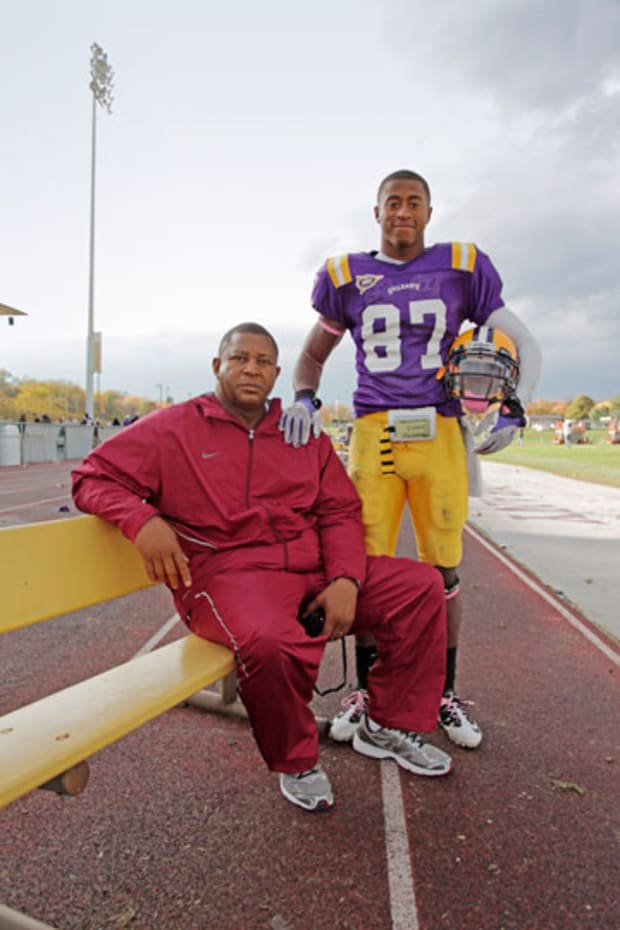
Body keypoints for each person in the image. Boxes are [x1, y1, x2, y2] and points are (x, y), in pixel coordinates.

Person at [71, 322, 452, 813]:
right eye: (239, 358)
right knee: (270, 641)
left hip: (310, 566)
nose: (251, 368)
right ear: (217, 366)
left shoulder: (299, 433)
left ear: (276, 374)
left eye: (264, 361)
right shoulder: (172, 428)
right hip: (226, 575)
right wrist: (142, 520)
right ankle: (296, 760)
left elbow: (338, 509)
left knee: (419, 586)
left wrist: (344, 579)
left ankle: (386, 724)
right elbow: (90, 478)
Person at [279, 169, 542, 750]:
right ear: (376, 213)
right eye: (392, 202)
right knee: (365, 573)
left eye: (413, 202)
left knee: (444, 571)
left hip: (441, 431)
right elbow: (311, 355)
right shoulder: (346, 275)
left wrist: (514, 407)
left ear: (429, 211)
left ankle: (443, 693)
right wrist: (302, 396)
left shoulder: (462, 265)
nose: (403, 211)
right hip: (374, 435)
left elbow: (523, 340)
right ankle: (369, 692)